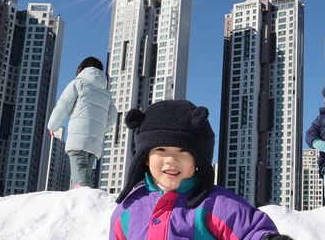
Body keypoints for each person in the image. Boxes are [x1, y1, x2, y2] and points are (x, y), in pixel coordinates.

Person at [110, 99, 285, 240]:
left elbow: (250, 230)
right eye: (161, 150)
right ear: (145, 159)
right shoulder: (128, 209)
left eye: (183, 151)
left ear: (197, 160)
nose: (171, 160)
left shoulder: (216, 204)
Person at [47, 56, 117, 188]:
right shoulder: (106, 93)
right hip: (94, 142)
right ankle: (83, 201)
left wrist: (53, 126)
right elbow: (113, 115)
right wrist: (101, 128)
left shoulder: (78, 83)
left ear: (81, 69)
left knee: (80, 179)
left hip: (78, 140)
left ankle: (85, 204)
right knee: (84, 176)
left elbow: (63, 106)